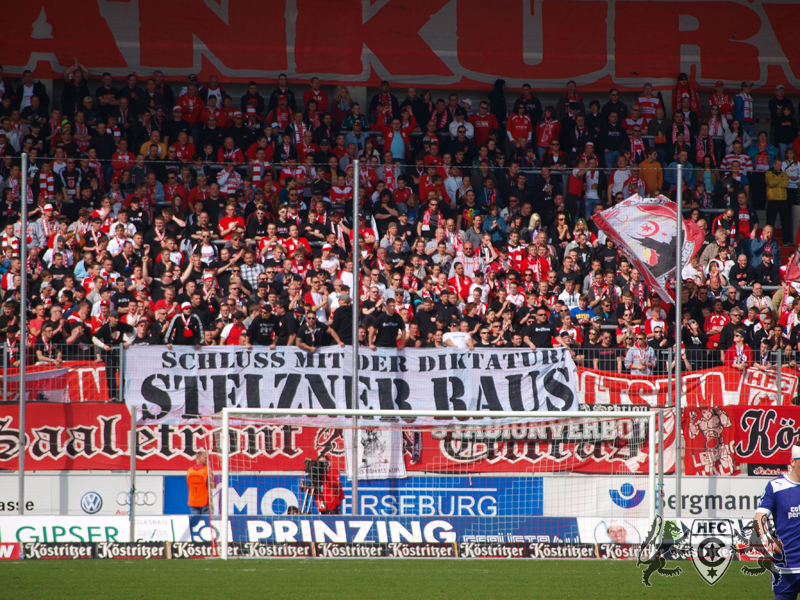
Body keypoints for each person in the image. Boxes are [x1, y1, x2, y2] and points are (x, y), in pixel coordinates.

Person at [755, 445, 800, 599]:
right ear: (793, 462)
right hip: (785, 566)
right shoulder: (775, 486)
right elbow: (759, 517)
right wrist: (766, 538)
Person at [187, 449, 214, 515]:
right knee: (207, 523)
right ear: (199, 458)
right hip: (205, 502)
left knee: (196, 523)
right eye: (205, 458)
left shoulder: (190, 471)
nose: (207, 459)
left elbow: (189, 485)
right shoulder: (206, 470)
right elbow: (212, 485)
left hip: (193, 502)